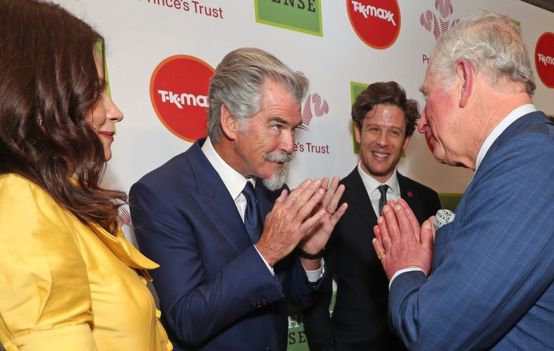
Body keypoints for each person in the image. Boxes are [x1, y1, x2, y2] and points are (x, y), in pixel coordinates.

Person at [372, 11, 554, 350]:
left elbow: (432, 332)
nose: (422, 122)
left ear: (465, 79)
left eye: (428, 97)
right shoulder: (523, 156)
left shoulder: (535, 160)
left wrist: (405, 268)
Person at [129, 47, 348, 351]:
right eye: (277, 126)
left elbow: (295, 298)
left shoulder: (274, 192)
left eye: (293, 129)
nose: (290, 144)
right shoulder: (161, 194)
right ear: (231, 121)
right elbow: (186, 320)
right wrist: (266, 252)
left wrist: (310, 254)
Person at [0, 1, 171, 350]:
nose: (116, 111)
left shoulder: (66, 197)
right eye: (95, 93)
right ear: (44, 95)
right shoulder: (21, 202)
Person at [302, 81, 440, 351]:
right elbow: (313, 293)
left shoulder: (427, 200)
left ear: (407, 141)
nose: (382, 141)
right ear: (358, 132)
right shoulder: (331, 200)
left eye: (394, 132)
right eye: (374, 129)